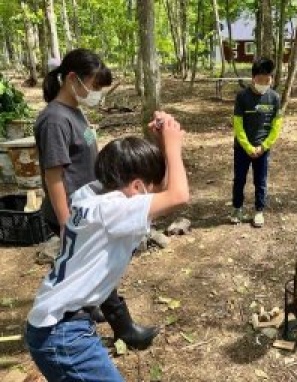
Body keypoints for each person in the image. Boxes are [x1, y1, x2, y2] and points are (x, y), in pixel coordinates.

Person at [26, 112, 189, 381]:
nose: (154, 193)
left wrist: (160, 144)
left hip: (55, 327)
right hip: (64, 335)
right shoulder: (114, 210)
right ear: (137, 186)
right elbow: (178, 195)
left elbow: (159, 189)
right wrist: (173, 146)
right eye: (147, 186)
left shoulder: (90, 194)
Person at [34, 48, 157, 349]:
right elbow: (54, 176)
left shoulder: (73, 110)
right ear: (73, 79)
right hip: (72, 212)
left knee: (95, 266)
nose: (97, 93)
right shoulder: (54, 120)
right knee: (99, 267)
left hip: (87, 206)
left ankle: (93, 307)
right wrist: (65, 223)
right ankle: (125, 329)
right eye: (95, 85)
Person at [231, 57, 282, 227]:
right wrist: (247, 147)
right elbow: (238, 124)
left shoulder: (274, 98)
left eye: (268, 80)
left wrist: (264, 146)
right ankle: (237, 208)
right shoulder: (242, 96)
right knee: (239, 179)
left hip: (263, 149)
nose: (264, 83)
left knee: (260, 181)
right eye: (261, 80)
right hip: (242, 148)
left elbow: (276, 125)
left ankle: (259, 210)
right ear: (253, 78)